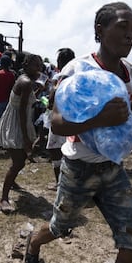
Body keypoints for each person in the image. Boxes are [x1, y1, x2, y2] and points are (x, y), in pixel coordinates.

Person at [25, 3, 132, 263]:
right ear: (99, 30)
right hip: (79, 169)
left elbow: (130, 118)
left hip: (113, 169)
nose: (130, 35)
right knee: (60, 227)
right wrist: (99, 119)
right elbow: (56, 124)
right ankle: (33, 243)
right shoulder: (76, 70)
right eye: (123, 27)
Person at [0, 53, 42, 212]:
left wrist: (38, 92)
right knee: (19, 162)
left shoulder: (27, 81)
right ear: (27, 64)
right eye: (36, 64)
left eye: (40, 64)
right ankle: (3, 198)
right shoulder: (26, 82)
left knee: (19, 159)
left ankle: (12, 182)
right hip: (16, 123)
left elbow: (26, 102)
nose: (39, 68)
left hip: (19, 121)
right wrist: (25, 138)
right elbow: (22, 112)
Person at [45, 47, 75, 190]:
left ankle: (61, 183)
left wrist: (49, 99)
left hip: (60, 117)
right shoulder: (78, 74)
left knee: (55, 149)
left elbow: (52, 98)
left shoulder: (63, 76)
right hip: (73, 118)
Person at [0, 55, 16, 121]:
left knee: (0, 121)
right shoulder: (11, 75)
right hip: (9, 100)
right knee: (7, 121)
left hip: (0, 100)